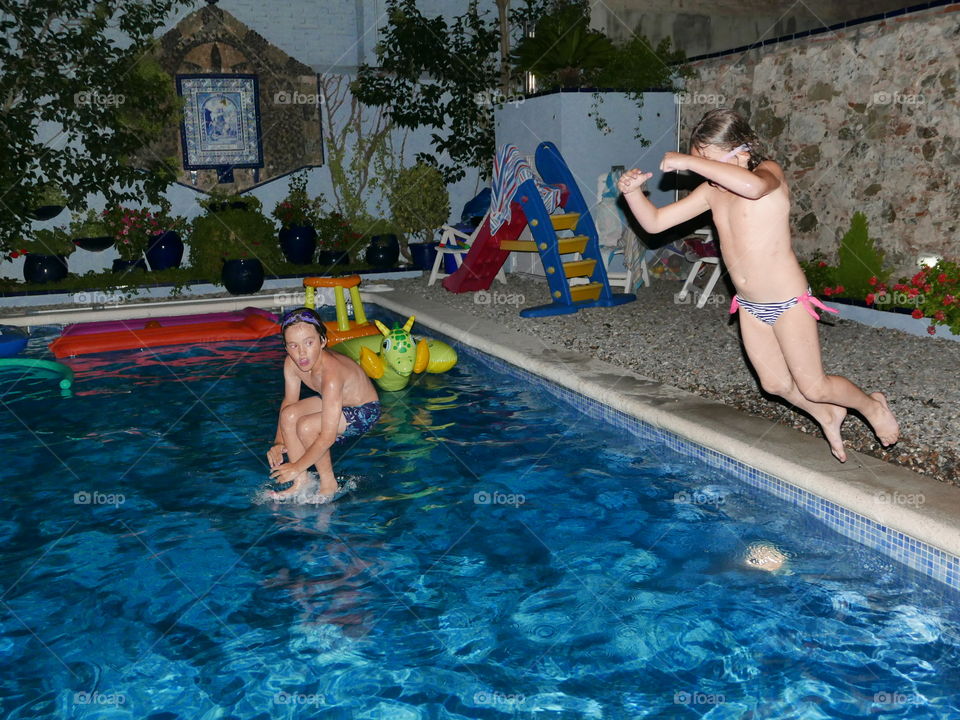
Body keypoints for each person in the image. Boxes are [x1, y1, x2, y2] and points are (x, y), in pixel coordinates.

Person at [618, 108, 899, 462]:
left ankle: (871, 406)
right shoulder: (712, 191)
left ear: (742, 149)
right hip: (750, 305)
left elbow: (751, 188)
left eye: (706, 159)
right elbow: (656, 223)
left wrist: (687, 160)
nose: (698, 169)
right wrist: (632, 193)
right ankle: (827, 414)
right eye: (698, 160)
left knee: (814, 385)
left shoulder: (769, 174)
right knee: (775, 384)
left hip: (788, 301)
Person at [267, 307, 380, 499]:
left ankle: (329, 484)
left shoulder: (331, 375)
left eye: (308, 343)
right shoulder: (291, 364)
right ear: (286, 348)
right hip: (334, 402)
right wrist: (279, 442)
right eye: (293, 346)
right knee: (289, 415)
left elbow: (327, 437)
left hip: (364, 411)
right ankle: (302, 481)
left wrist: (296, 466)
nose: (302, 353)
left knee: (306, 427)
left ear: (323, 341)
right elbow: (289, 401)